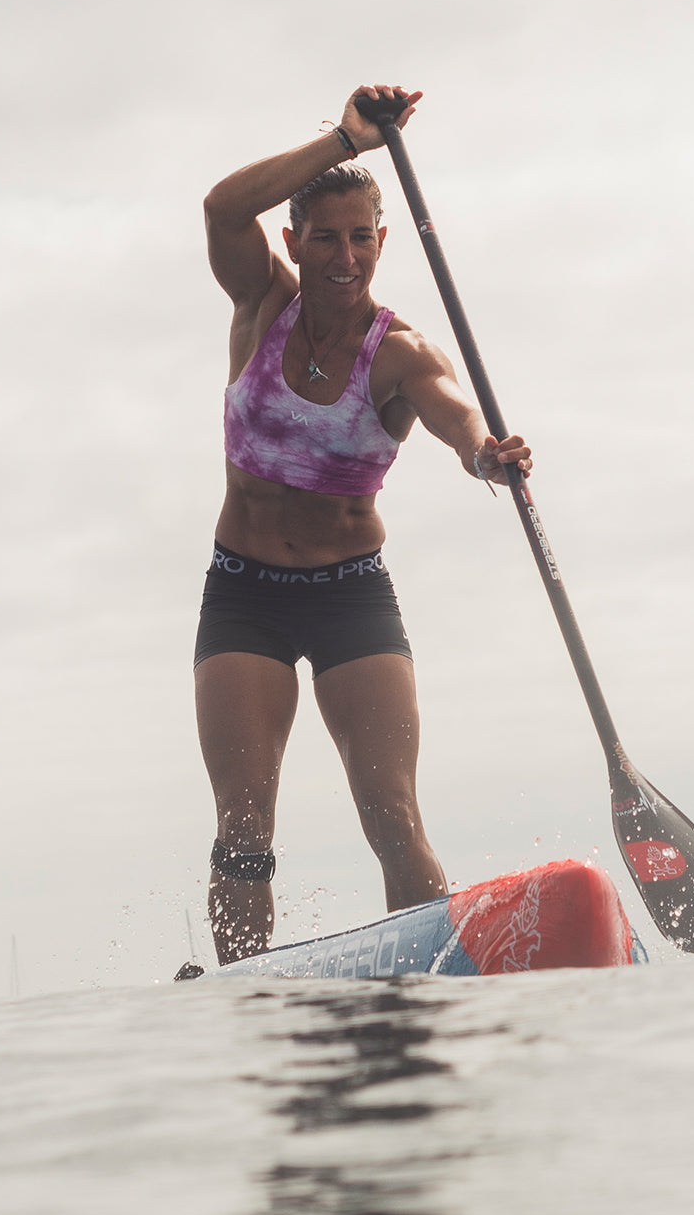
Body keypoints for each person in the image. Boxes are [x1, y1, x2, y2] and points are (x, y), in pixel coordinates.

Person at [196, 83, 532, 965]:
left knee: (390, 808)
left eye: (359, 238)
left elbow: (456, 411)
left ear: (382, 242)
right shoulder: (260, 304)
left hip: (351, 596)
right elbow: (222, 205)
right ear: (293, 241)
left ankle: (435, 974)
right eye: (324, 237)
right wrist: (344, 139)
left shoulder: (402, 353)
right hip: (245, 593)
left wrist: (483, 454)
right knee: (243, 825)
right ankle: (244, 993)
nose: (344, 256)